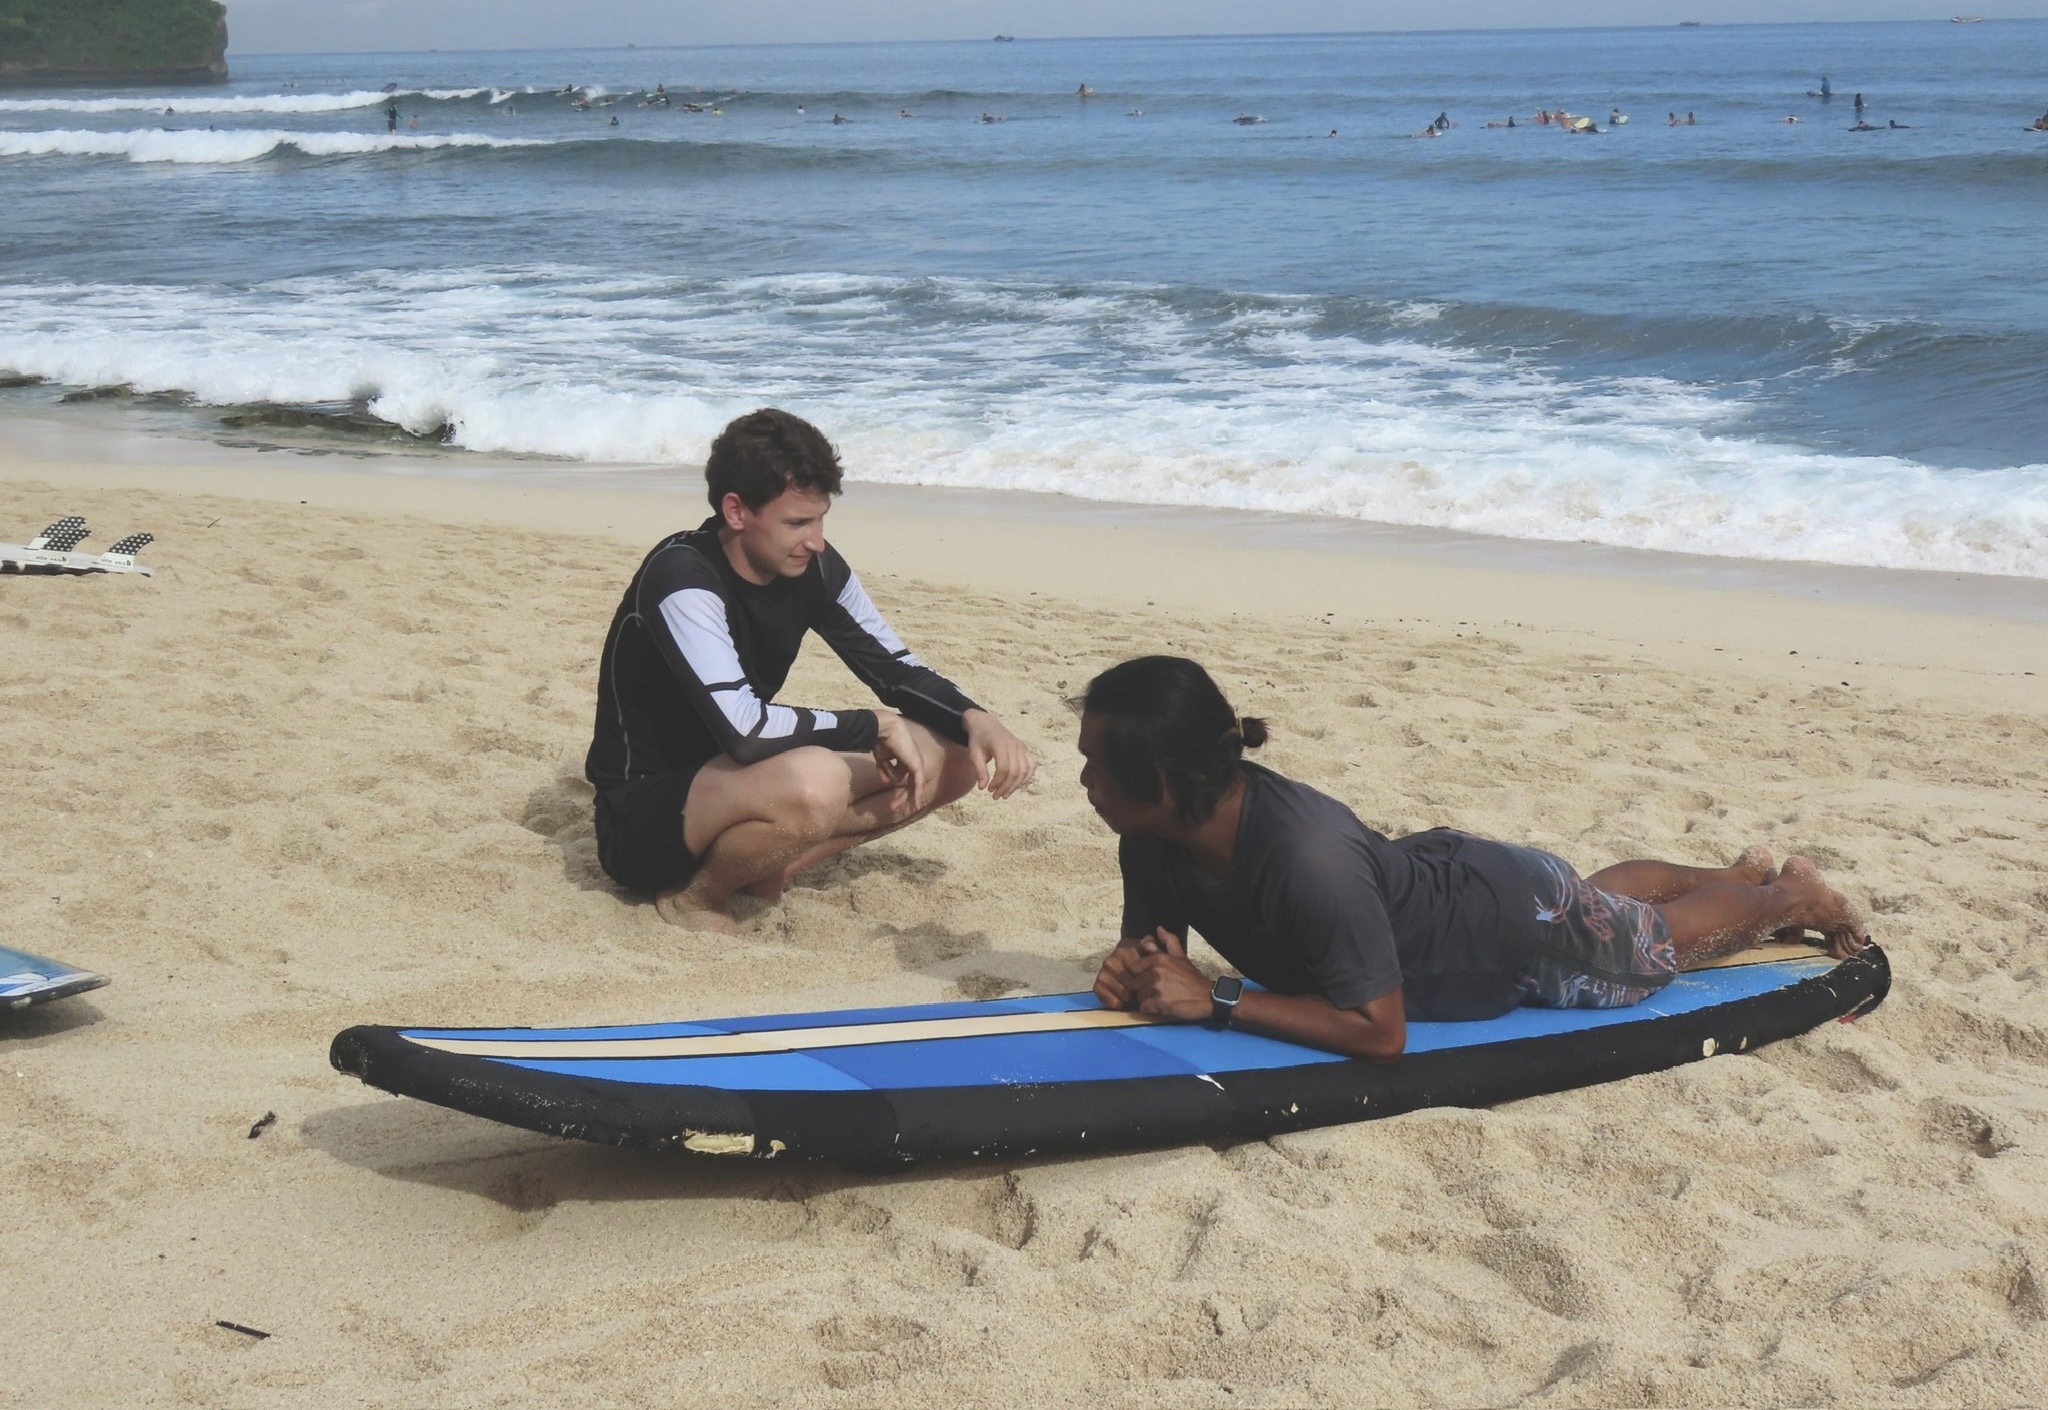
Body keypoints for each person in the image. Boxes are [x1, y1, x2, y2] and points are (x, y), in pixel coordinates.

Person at [1079, 656, 1867, 1060]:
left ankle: (1790, 896)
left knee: (1651, 948)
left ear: (1161, 784)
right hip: (1464, 889)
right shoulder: (1151, 836)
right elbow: (1156, 955)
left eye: (1095, 766)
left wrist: (1218, 998)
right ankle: (1735, 876)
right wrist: (1131, 971)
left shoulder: (1306, 860)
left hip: (1505, 930)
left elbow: (1382, 1034)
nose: (1083, 779)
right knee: (1596, 910)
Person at [586, 409, 1036, 931]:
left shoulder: (814, 567)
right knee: (817, 781)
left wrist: (979, 719)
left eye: (821, 519)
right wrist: (872, 725)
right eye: (797, 523)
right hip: (645, 819)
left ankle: (769, 863)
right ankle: (696, 897)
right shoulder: (682, 575)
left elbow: (894, 668)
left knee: (954, 755)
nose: (816, 540)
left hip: (748, 780)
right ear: (736, 510)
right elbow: (745, 730)